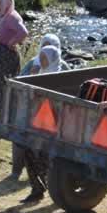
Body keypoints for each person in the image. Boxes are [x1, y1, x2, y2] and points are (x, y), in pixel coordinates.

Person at [20, 45, 65, 203]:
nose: (42, 61)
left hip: (54, 127)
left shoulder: (60, 76)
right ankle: (37, 188)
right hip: (37, 122)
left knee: (47, 156)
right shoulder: (39, 74)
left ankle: (54, 187)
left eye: (45, 58)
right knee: (27, 150)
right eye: (41, 57)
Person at [0, 0, 29, 121]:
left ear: (8, 3)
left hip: (4, 56)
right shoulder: (4, 17)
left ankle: (3, 118)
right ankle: (1, 117)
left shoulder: (11, 17)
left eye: (1, 2)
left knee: (1, 86)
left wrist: (11, 43)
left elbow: (23, 32)